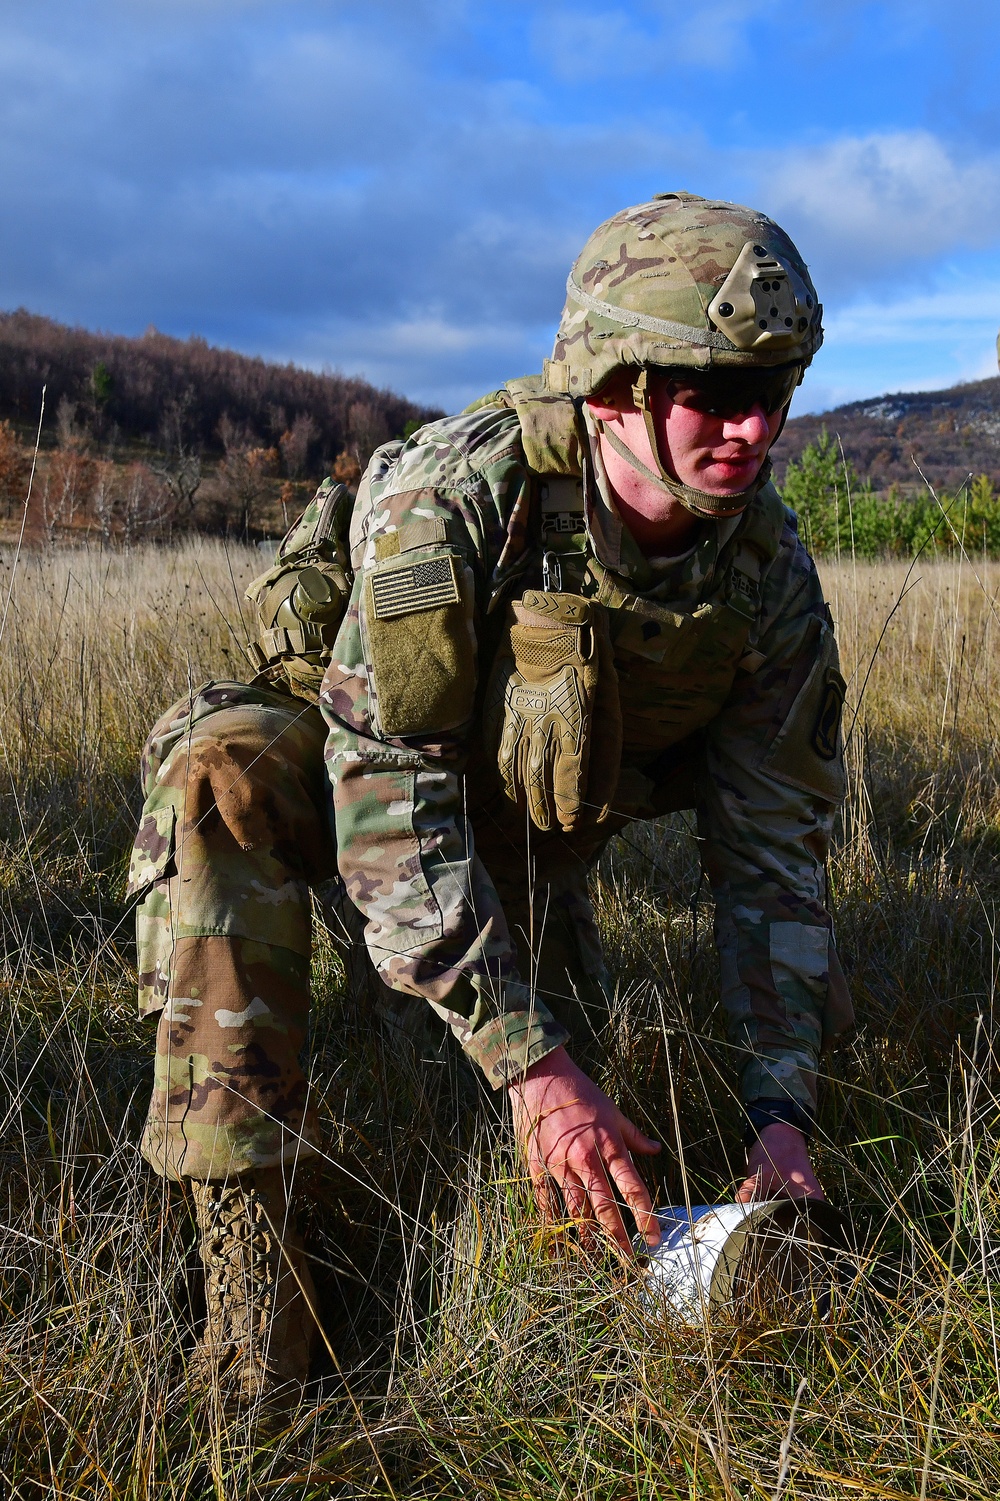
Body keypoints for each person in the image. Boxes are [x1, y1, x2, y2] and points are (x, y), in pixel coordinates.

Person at [129, 191, 853, 1409]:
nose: (750, 429)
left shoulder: (765, 578)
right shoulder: (460, 496)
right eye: (711, 394)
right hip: (354, 769)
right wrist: (529, 1062)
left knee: (587, 1183)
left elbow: (776, 857)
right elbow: (384, 786)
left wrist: (782, 1111)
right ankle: (255, 1294)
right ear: (614, 385)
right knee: (217, 778)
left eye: (772, 393)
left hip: (526, 835)